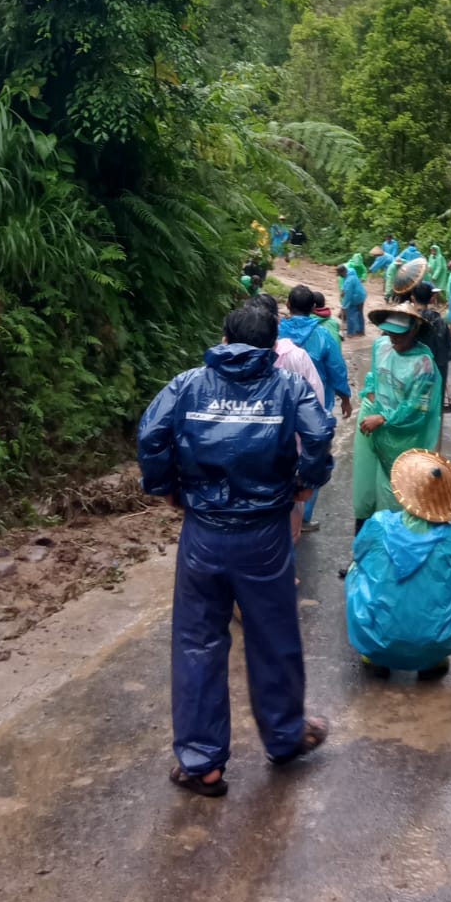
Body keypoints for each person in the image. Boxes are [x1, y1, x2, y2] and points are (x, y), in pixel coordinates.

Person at [137, 305, 334, 795]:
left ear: (223, 338)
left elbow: (150, 433)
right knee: (274, 634)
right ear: (273, 348)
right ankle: (286, 736)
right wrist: (306, 483)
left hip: (203, 534)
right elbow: (319, 432)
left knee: (198, 640)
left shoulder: (187, 385)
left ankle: (203, 759)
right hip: (266, 535)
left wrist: (166, 488)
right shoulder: (289, 388)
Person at [345, 448, 451, 680]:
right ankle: (433, 658)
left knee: (357, 568)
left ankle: (373, 653)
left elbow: (358, 553)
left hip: (377, 638)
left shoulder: (378, 524)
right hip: (436, 641)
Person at [353, 303, 443, 529]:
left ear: (413, 331)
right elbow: (373, 374)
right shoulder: (381, 346)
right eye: (390, 332)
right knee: (364, 491)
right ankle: (362, 553)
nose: (393, 338)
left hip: (402, 439)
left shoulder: (424, 366)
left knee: (395, 498)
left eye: (399, 334)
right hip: (373, 427)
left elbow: (416, 409)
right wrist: (371, 394)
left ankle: (392, 549)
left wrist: (384, 418)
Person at [248, 293, 325, 542]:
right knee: (286, 526)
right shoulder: (300, 354)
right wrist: (312, 471)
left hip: (247, 459)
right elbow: (317, 411)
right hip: (290, 454)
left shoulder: (219, 370)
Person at [280, 284, 352, 533]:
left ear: (288, 306)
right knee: (311, 460)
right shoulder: (323, 337)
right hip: (315, 409)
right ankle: (305, 516)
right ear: (314, 309)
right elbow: (337, 370)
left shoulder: (276, 334)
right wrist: (345, 397)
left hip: (277, 409)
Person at [411, 279, 451, 413]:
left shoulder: (409, 320)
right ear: (431, 299)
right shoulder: (439, 322)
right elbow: (448, 352)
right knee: (435, 407)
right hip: (437, 371)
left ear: (412, 298)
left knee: (416, 407)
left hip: (415, 373)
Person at [338, 263, 368, 337]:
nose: (339, 276)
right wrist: (343, 290)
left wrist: (344, 307)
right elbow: (347, 288)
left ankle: (350, 333)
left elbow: (348, 296)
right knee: (360, 313)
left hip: (356, 298)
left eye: (339, 274)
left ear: (343, 272)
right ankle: (361, 331)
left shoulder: (349, 281)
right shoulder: (351, 271)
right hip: (361, 295)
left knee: (350, 315)